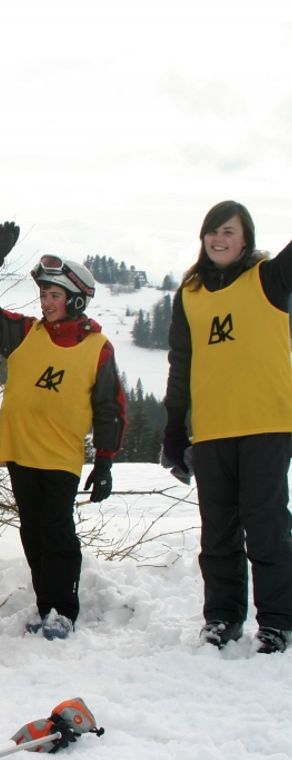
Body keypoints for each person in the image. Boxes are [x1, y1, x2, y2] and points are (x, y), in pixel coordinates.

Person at [0, 222, 126, 640]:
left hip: (60, 455)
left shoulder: (97, 347)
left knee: (57, 532)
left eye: (54, 295)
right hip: (20, 451)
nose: (46, 302)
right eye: (43, 294)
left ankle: (64, 610)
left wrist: (106, 462)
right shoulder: (25, 333)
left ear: (75, 299)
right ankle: (45, 606)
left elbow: (110, 407)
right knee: (33, 531)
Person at [160, 200, 292, 654]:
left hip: (267, 424)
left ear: (246, 239)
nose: (218, 238)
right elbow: (182, 362)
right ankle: (222, 618)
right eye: (212, 231)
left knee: (266, 525)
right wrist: (175, 429)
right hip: (212, 430)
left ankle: (277, 623)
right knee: (217, 532)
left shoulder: (271, 278)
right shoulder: (190, 295)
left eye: (228, 231)